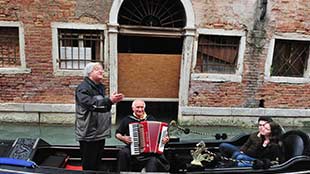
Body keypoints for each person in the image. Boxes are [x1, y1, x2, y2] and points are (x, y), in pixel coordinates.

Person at [75, 62, 124, 171]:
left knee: (97, 161)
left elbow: (102, 107)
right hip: (89, 132)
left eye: (102, 69)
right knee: (89, 163)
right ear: (89, 73)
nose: (101, 71)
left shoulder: (100, 87)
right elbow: (90, 104)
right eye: (97, 69)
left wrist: (111, 101)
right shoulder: (82, 88)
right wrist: (109, 100)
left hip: (100, 132)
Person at [115, 99, 170, 172]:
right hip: (132, 149)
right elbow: (117, 134)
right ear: (133, 108)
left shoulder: (151, 119)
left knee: (154, 160)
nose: (140, 109)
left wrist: (166, 139)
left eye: (142, 107)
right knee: (123, 153)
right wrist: (123, 138)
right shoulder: (127, 120)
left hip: (149, 153)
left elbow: (163, 135)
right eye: (137, 107)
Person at [219, 116, 284, 167]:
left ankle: (229, 166)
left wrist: (259, 141)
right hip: (251, 156)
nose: (262, 129)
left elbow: (259, 155)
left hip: (260, 162)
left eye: (266, 128)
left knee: (239, 157)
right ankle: (227, 164)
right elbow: (247, 145)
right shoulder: (259, 136)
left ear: (272, 131)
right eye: (261, 126)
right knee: (230, 150)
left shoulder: (274, 145)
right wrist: (242, 151)